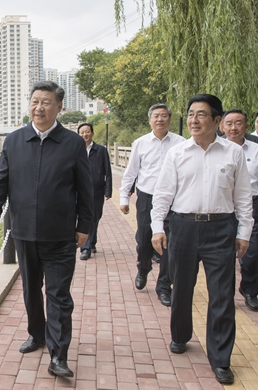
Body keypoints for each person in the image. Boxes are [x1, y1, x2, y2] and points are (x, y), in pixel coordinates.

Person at [0, 81, 94, 378]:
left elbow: (86, 189)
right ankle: (37, 334)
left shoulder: (72, 143)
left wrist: (85, 226)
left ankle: (59, 356)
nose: (39, 107)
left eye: (46, 102)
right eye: (35, 101)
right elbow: (0, 183)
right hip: (23, 232)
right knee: (32, 289)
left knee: (59, 295)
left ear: (59, 107)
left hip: (60, 235)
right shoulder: (14, 141)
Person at [151, 94, 253, 385]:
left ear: (217, 121)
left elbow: (243, 196)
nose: (194, 120)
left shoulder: (233, 154)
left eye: (201, 115)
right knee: (182, 287)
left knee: (222, 294)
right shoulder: (178, 153)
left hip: (221, 229)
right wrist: (158, 227)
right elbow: (163, 194)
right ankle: (181, 335)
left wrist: (243, 232)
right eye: (191, 114)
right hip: (182, 227)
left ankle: (221, 358)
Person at [118, 104, 185, 306]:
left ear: (169, 119)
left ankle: (164, 286)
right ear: (150, 120)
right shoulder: (141, 143)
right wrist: (123, 198)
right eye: (156, 116)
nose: (160, 119)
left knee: (169, 244)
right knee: (145, 239)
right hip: (147, 198)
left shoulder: (181, 143)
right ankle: (143, 267)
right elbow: (131, 172)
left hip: (174, 200)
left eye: (164, 116)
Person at [221, 109, 258, 311]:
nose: (233, 128)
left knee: (252, 253)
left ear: (246, 126)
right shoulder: (216, 149)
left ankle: (250, 289)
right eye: (229, 123)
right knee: (223, 254)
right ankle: (225, 294)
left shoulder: (255, 149)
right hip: (225, 206)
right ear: (222, 126)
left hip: (253, 205)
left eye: (238, 123)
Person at [78, 122, 112, 260]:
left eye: (87, 132)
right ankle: (85, 248)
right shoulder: (76, 150)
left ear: (92, 133)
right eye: (82, 132)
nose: (85, 134)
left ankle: (92, 242)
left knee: (95, 217)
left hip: (97, 190)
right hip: (79, 191)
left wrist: (108, 190)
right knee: (84, 217)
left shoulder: (101, 150)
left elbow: (108, 171)